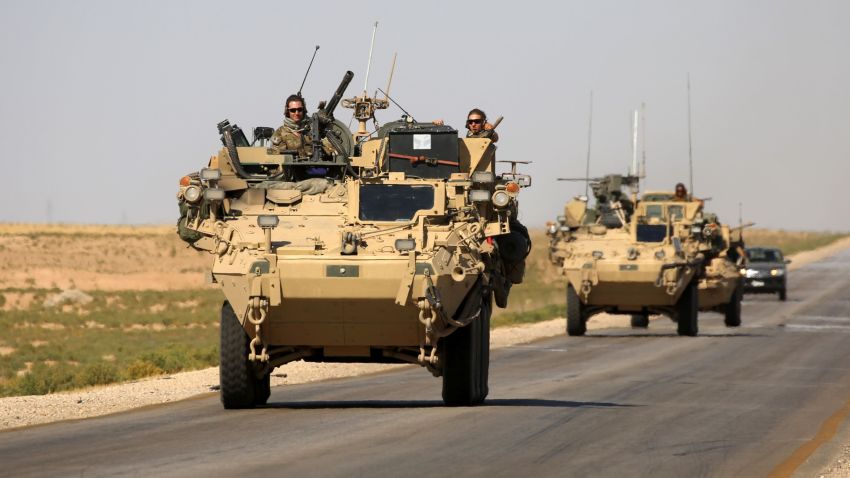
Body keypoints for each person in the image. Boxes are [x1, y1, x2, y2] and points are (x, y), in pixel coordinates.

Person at [432, 108, 499, 142]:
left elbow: (495, 138)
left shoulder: (487, 134)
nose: (473, 124)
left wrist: (491, 130)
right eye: (470, 122)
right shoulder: (469, 134)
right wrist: (440, 127)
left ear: (483, 123)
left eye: (477, 121)